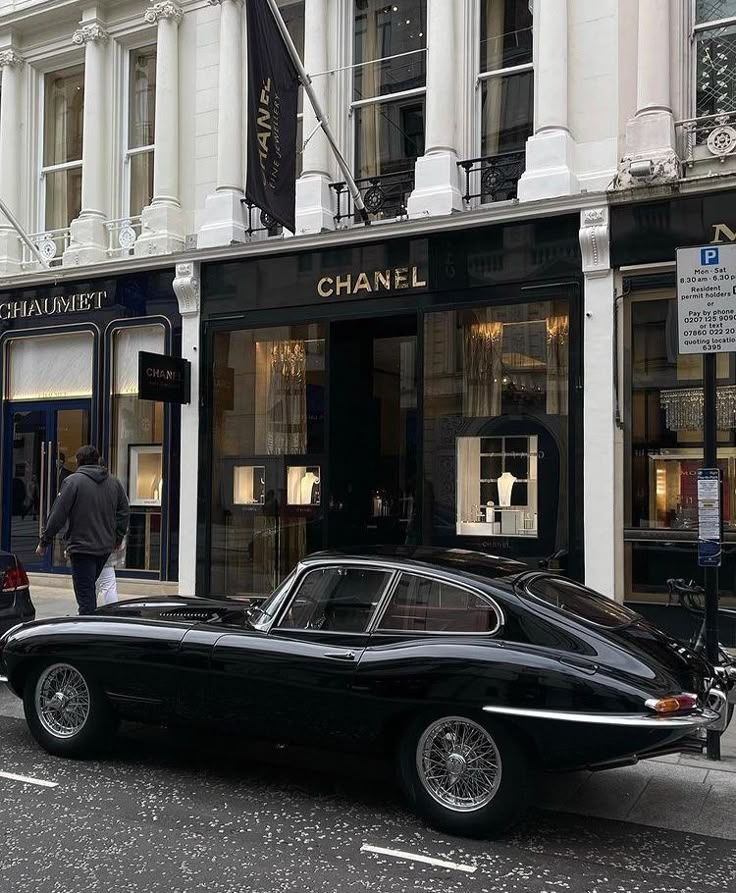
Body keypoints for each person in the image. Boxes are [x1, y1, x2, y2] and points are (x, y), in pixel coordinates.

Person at [36, 445, 129, 615]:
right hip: (104, 548)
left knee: (85, 597)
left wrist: (44, 541)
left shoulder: (73, 482)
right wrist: (117, 537)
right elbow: (124, 511)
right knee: (91, 589)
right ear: (97, 460)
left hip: (81, 547)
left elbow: (58, 514)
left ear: (79, 462)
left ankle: (88, 630)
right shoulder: (114, 482)